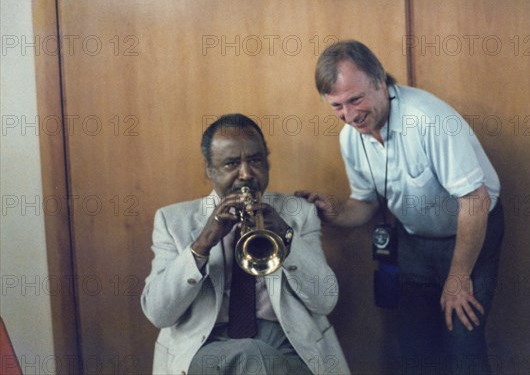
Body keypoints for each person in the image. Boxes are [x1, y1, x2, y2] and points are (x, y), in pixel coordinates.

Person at [296, 40, 504, 373]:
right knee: (414, 350)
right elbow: (364, 203)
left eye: (356, 99)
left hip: (471, 232)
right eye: (337, 106)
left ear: (381, 82)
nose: (350, 116)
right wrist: (335, 213)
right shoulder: (351, 137)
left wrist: (458, 276)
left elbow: (474, 200)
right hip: (414, 241)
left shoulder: (427, 119)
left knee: (462, 344)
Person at [141, 114, 350, 375]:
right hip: (207, 344)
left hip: (288, 344)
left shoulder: (299, 213)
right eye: (231, 164)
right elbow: (159, 314)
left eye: (255, 160)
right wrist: (204, 243)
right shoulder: (172, 221)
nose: (246, 174)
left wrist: (286, 238)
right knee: (251, 356)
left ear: (267, 162)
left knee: (256, 357)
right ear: (210, 170)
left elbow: (325, 301)